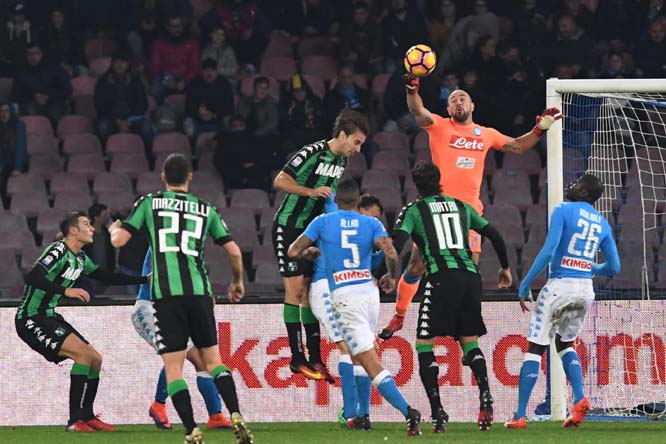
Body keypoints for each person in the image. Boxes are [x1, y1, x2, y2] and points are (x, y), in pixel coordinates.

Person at [379, 73, 562, 339]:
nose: (458, 101)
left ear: (472, 106)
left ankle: (463, 326)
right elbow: (417, 110)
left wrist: (539, 130)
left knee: (469, 268)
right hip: (437, 211)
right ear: (448, 109)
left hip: (467, 214)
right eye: (453, 100)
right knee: (417, 266)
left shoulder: (485, 134)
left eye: (463, 98)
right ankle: (399, 316)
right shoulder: (440, 126)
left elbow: (518, 147)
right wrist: (411, 88)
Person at [109, 153, 252, 444]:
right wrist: (237, 282)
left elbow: (119, 241)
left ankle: (192, 427)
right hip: (193, 297)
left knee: (178, 364)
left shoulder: (151, 206)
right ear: (190, 177)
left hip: (166, 300)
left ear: (163, 177)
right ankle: (232, 412)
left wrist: (114, 229)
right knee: (212, 360)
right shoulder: (204, 209)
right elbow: (235, 251)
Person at [288, 178, 423, 436]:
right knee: (360, 353)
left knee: (364, 358)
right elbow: (392, 253)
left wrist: (311, 252)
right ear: (359, 201)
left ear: (336, 200)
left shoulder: (323, 222)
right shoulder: (372, 223)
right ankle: (361, 415)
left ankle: (404, 411)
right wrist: (393, 277)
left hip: (342, 294)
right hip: (368, 293)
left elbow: (294, 251)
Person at [390, 162, 512, 431]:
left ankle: (438, 412)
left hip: (441, 277)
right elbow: (493, 234)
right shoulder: (460, 206)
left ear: (416, 185)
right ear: (439, 180)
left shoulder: (414, 210)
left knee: (424, 343)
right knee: (469, 342)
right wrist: (505, 267)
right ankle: (486, 397)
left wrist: (384, 270)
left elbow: (398, 241)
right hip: (470, 278)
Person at [15, 211, 150, 432]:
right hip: (30, 318)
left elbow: (107, 277)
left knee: (95, 358)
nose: (92, 229)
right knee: (83, 355)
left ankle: (87, 417)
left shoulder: (79, 258)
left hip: (47, 316)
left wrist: (144, 279)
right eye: (87, 224)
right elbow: (33, 276)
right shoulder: (58, 250)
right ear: (73, 230)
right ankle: (74, 421)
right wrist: (66, 290)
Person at [505, 174, 620, 429]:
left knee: (535, 347)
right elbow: (614, 266)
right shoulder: (602, 223)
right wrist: (592, 267)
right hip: (585, 290)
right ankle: (579, 399)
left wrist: (525, 284)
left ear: (585, 193)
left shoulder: (563, 210)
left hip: (559, 286)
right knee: (565, 343)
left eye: (578, 183)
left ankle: (520, 415)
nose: (571, 184)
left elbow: (548, 250)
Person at [272, 109, 368, 381]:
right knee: (295, 293)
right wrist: (311, 192)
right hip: (289, 226)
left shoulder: (340, 162)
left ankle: (314, 357)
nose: (358, 149)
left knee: (308, 291)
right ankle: (296, 357)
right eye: (356, 142)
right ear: (341, 135)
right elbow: (280, 180)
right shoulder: (312, 152)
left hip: (312, 231)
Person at [308, 192, 386, 430]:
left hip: (350, 294)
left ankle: (362, 414)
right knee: (347, 347)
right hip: (325, 287)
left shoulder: (374, 241)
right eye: (370, 215)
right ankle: (351, 413)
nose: (373, 221)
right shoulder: (333, 216)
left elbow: (368, 268)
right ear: (359, 208)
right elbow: (331, 192)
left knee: (360, 351)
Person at [132, 249, 232, 431]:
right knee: (176, 354)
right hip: (149, 309)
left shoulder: (187, 244)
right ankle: (159, 405)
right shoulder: (160, 238)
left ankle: (215, 416)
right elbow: (158, 274)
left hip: (174, 310)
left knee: (201, 360)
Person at [94, 49, 152, 144]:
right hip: (110, 118)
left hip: (132, 118)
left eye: (123, 61)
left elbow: (142, 104)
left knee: (145, 127)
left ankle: (149, 156)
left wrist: (128, 121)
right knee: (103, 126)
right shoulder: (102, 81)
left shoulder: (136, 80)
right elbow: (99, 105)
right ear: (112, 63)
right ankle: (107, 154)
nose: (120, 65)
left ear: (128, 63)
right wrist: (117, 121)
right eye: (117, 61)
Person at [12, 42, 72, 126]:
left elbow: (67, 90)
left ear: (42, 54)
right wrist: (33, 96)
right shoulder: (21, 73)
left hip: (54, 100)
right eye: (29, 54)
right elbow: (16, 94)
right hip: (31, 102)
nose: (33, 57)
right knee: (31, 111)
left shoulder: (54, 68)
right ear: (26, 56)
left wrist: (48, 96)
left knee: (56, 113)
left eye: (36, 53)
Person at [183, 58, 234, 141]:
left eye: (212, 70)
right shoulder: (194, 83)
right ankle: (193, 150)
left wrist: (214, 114)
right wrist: (199, 113)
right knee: (188, 122)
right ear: (201, 72)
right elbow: (189, 107)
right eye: (206, 70)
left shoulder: (224, 83)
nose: (209, 74)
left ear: (217, 72)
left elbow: (229, 107)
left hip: (218, 121)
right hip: (198, 121)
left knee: (228, 120)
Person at [0, 100, 27, 208]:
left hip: (17, 161)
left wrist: (18, 168)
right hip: (4, 161)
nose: (4, 114)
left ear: (11, 112)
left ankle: (8, 207)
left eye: (6, 111)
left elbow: (21, 148)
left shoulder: (19, 126)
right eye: (1, 111)